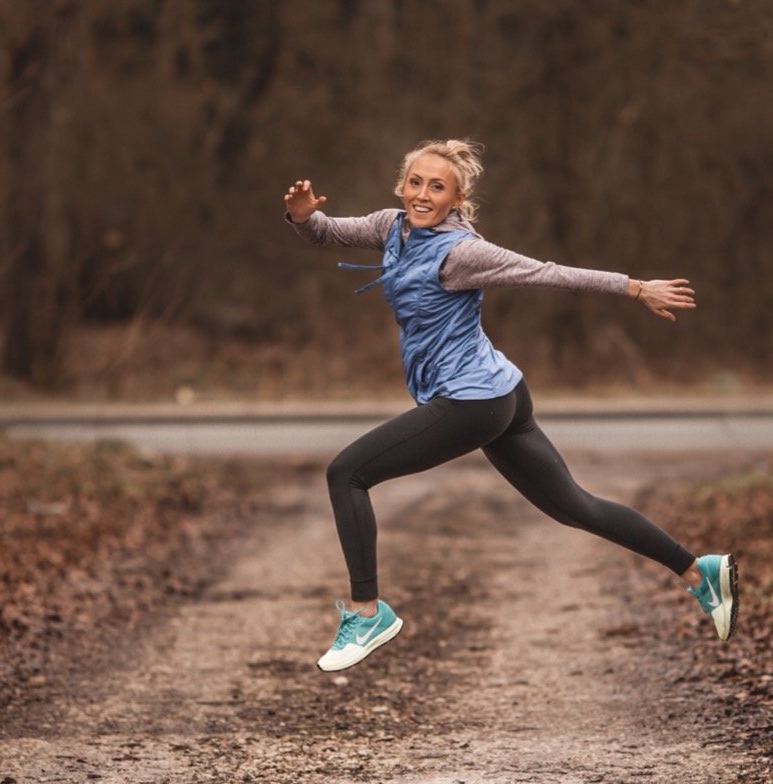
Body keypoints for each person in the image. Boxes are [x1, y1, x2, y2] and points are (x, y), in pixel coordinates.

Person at [284, 138, 736, 672]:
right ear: (401, 186)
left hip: (473, 400)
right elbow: (329, 232)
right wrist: (301, 216)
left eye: (437, 187)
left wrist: (635, 289)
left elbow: (547, 272)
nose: (423, 195)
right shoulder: (392, 226)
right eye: (415, 183)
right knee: (574, 506)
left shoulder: (463, 252)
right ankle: (698, 571)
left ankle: (367, 612)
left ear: (458, 198)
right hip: (501, 391)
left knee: (347, 473)